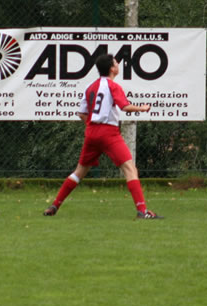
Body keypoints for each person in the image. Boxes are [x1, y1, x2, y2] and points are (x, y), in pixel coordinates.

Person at [43, 53, 162, 219]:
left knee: (78, 172)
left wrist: (94, 126)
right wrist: (142, 108)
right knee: (130, 169)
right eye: (116, 63)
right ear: (112, 68)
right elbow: (125, 107)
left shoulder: (90, 87)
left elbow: (81, 113)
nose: (118, 64)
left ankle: (54, 205)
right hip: (108, 133)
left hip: (91, 132)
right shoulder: (113, 86)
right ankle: (142, 211)